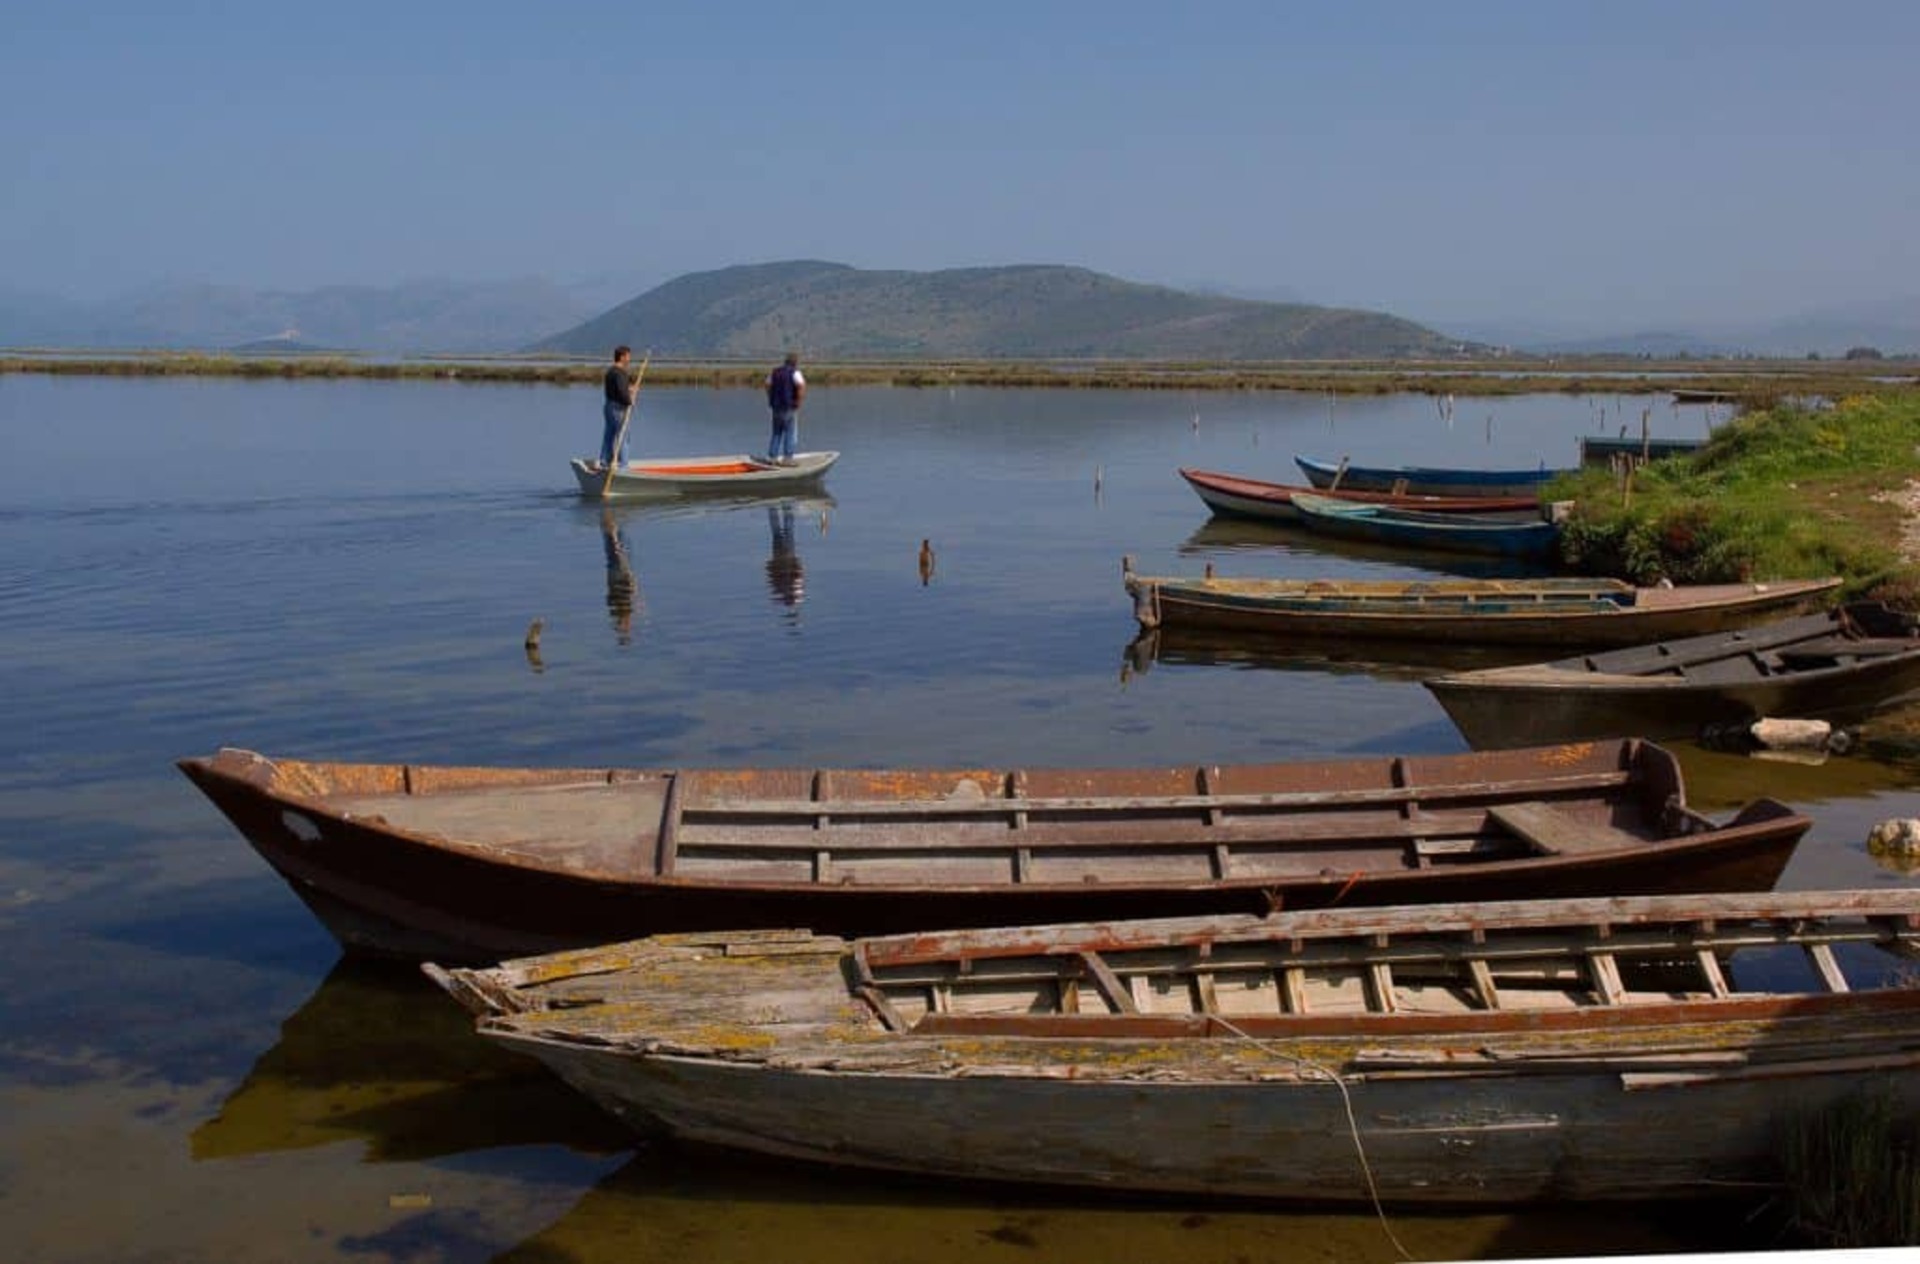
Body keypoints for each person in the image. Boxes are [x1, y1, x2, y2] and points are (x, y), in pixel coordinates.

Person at [601, 345, 640, 469]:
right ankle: (624, 466)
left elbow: (618, 388)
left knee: (610, 434)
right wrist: (630, 401)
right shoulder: (620, 373)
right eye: (628, 356)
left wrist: (631, 387)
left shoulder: (611, 371)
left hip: (608, 406)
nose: (629, 359)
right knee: (624, 435)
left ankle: (604, 461)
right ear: (622, 357)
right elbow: (622, 392)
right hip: (618, 409)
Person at [765, 351, 806, 464]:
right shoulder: (795, 372)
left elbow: (767, 385)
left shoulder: (775, 372)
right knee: (789, 432)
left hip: (776, 407)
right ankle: (788, 458)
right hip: (788, 407)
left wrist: (770, 398)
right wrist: (798, 402)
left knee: (776, 432)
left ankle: (772, 457)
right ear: (795, 363)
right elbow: (801, 386)